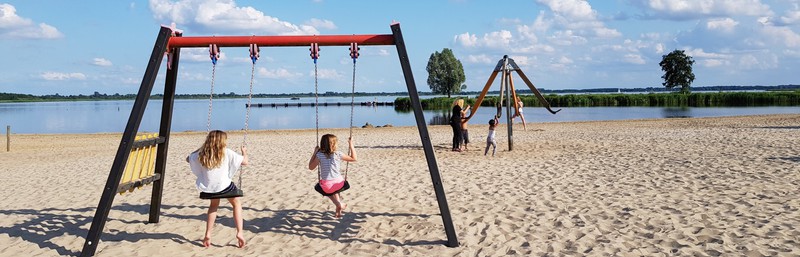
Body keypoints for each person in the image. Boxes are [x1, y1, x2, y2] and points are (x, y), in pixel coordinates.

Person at [187, 130, 248, 248]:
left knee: (213, 206)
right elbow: (245, 162)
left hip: (209, 189)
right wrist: (244, 152)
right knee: (236, 204)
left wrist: (200, 149)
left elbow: (188, 159)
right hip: (225, 187)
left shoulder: (202, 154)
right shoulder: (226, 152)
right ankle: (239, 232)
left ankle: (208, 234)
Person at [308, 134, 357, 218]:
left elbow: (310, 167)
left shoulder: (319, 155)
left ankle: (338, 204)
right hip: (339, 183)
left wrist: (314, 153)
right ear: (334, 144)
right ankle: (338, 209)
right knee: (335, 190)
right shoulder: (338, 154)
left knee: (324, 188)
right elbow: (354, 158)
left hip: (326, 186)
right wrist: (351, 144)